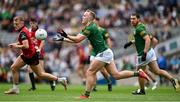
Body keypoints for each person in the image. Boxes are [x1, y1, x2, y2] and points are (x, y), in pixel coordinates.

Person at [53, 9, 149, 99]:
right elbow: (76, 39)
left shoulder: (91, 27)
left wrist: (65, 35)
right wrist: (63, 39)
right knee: (116, 75)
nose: (82, 17)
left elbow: (77, 40)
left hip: (103, 53)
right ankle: (138, 73)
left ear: (90, 18)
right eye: (83, 16)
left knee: (90, 72)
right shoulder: (88, 27)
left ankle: (86, 95)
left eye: (84, 16)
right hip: (106, 52)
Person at [4, 16, 67, 94]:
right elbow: (26, 42)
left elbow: (26, 46)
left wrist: (16, 46)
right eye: (14, 23)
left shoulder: (23, 32)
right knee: (13, 68)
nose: (15, 25)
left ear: (22, 23)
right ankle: (15, 88)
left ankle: (60, 80)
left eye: (16, 24)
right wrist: (15, 43)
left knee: (40, 74)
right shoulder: (26, 30)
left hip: (31, 56)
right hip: (26, 54)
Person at [124, 13, 180, 95]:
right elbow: (154, 40)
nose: (132, 20)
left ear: (138, 19)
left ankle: (142, 90)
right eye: (131, 19)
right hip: (150, 52)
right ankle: (173, 80)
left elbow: (147, 39)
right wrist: (131, 42)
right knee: (157, 71)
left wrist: (145, 53)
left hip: (143, 53)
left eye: (134, 19)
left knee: (139, 72)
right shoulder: (142, 27)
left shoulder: (139, 29)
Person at [28, 18, 56, 91]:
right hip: (31, 53)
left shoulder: (40, 31)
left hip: (39, 53)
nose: (32, 25)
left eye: (33, 23)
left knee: (41, 73)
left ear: (37, 23)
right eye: (31, 23)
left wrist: (39, 49)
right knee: (29, 69)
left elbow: (43, 41)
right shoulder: (29, 31)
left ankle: (51, 80)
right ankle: (33, 87)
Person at [89, 17, 112, 92]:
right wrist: (89, 53)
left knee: (102, 70)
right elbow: (90, 43)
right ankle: (94, 86)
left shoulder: (103, 30)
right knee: (92, 70)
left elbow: (108, 40)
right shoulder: (91, 29)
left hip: (101, 51)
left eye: (95, 21)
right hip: (93, 52)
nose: (94, 23)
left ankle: (108, 81)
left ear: (98, 22)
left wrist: (108, 49)